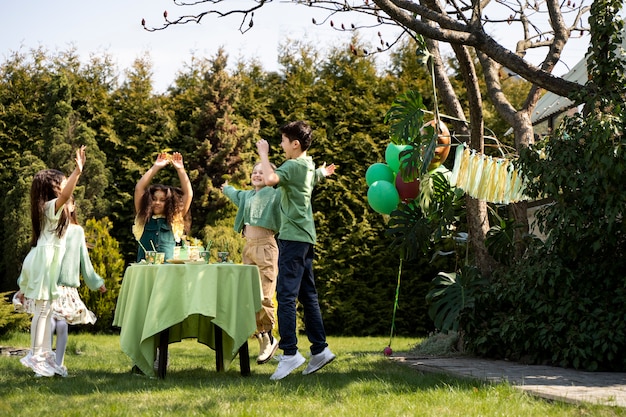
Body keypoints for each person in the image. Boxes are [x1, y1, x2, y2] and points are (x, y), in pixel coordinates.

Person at [256, 120, 337, 380]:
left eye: (282, 141)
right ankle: (320, 350)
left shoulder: (291, 165)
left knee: (286, 296)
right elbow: (313, 176)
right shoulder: (308, 164)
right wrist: (324, 173)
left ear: (295, 144)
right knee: (307, 295)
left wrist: (264, 154)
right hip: (305, 237)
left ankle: (290, 353)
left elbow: (269, 179)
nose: (280, 145)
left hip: (293, 239)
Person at [15, 146, 87, 377]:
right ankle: (36, 356)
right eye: (63, 182)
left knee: (45, 310)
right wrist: (78, 171)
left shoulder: (47, 209)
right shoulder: (49, 207)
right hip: (44, 261)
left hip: (45, 260)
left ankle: (43, 356)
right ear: (52, 188)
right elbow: (66, 195)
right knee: (43, 310)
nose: (66, 186)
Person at [221, 162, 281, 364]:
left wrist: (319, 173)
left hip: (265, 247)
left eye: (262, 172)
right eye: (254, 172)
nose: (256, 175)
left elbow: (296, 188)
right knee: (250, 295)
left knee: (264, 294)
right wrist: (226, 188)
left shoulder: (274, 195)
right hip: (248, 248)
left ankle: (269, 336)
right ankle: (262, 336)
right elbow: (235, 194)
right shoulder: (247, 196)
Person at [50, 197, 107, 377]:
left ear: (73, 207)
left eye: (68, 203)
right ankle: (43, 363)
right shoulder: (49, 228)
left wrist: (96, 282)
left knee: (61, 326)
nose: (65, 206)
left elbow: (85, 261)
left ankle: (58, 364)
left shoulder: (77, 232)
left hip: (67, 289)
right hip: (48, 286)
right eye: (61, 202)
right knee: (49, 323)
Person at [133, 152, 193, 262]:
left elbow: (188, 194)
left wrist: (180, 170)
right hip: (145, 269)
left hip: (167, 271)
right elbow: (139, 188)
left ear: (169, 203)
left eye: (162, 200)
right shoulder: (143, 217)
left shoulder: (175, 219)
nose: (157, 203)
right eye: (154, 199)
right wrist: (156, 166)